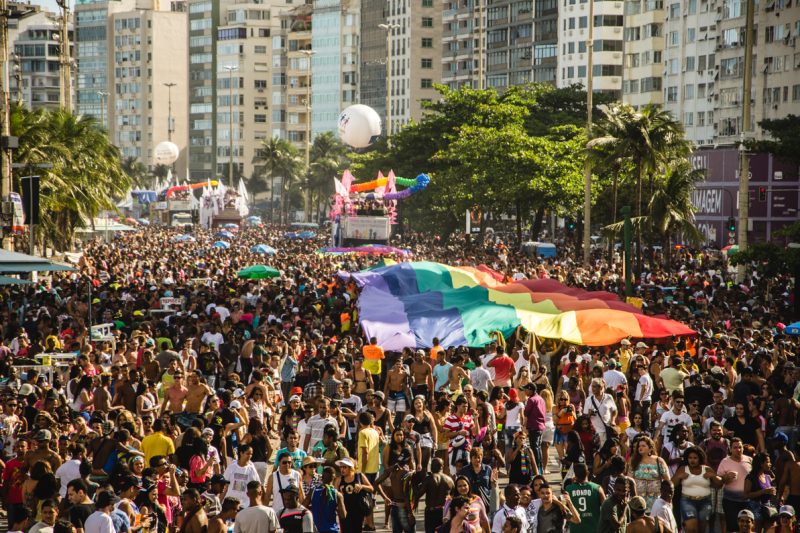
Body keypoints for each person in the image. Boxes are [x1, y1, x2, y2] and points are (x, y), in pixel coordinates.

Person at [671, 446, 720, 533]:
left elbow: (719, 485)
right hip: (687, 501)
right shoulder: (683, 469)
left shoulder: (707, 469)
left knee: (701, 529)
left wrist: (713, 476)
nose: (692, 460)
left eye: (695, 458)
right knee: (691, 529)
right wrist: (678, 476)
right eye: (690, 458)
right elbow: (672, 484)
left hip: (705, 502)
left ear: (700, 458)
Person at [718, 438, 753, 533]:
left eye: (740, 447)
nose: (738, 450)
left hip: (747, 500)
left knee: (747, 528)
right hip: (730, 501)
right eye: (735, 447)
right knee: (733, 527)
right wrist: (725, 477)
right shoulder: (724, 461)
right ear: (730, 449)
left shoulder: (749, 460)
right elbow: (718, 481)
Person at [335, 457, 374, 533]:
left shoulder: (359, 476)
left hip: (358, 510)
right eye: (341, 467)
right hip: (344, 511)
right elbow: (334, 494)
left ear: (351, 468)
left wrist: (362, 486)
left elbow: (371, 488)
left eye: (344, 467)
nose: (342, 469)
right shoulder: (339, 480)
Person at [416, 458, 454, 533]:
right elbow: (453, 496)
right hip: (444, 512)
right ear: (442, 466)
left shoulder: (428, 479)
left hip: (431, 512)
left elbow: (418, 494)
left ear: (432, 467)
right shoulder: (449, 480)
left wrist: (414, 483)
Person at [565, 463, 605, 533]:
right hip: (594, 528)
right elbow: (606, 508)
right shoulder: (597, 488)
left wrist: (570, 518)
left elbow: (563, 510)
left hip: (576, 529)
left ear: (575, 475)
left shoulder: (568, 489)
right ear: (588, 473)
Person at [306, 466, 346, 533]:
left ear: (322, 477)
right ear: (334, 477)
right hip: (332, 530)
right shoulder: (338, 495)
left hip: (316, 529)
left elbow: (303, 507)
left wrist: (313, 507)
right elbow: (343, 515)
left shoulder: (313, 492)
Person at [584, 378, 617, 446]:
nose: (592, 388)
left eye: (595, 386)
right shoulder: (588, 400)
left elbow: (614, 410)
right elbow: (584, 417)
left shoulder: (608, 397)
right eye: (592, 386)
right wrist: (589, 415)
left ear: (601, 387)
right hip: (595, 432)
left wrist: (613, 420)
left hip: (607, 430)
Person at [523, 384, 546, 475]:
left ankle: (536, 468)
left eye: (526, 389)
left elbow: (526, 412)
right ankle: (540, 467)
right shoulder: (540, 398)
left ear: (530, 390)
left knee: (534, 447)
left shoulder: (531, 400)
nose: (524, 391)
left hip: (534, 425)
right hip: (541, 425)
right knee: (538, 447)